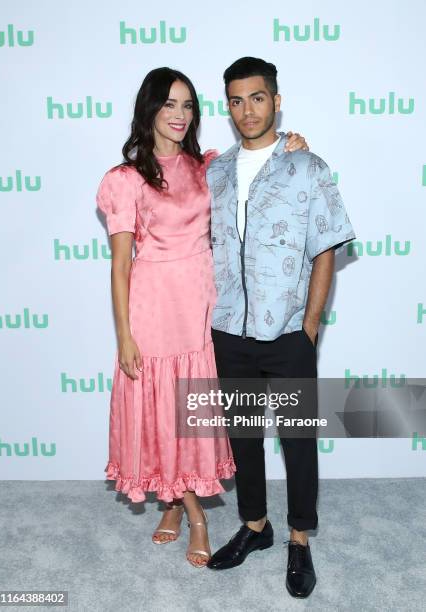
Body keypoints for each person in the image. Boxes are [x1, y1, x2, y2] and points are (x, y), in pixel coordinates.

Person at [96, 66, 309, 568]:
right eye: (168, 104)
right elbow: (121, 264)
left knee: (191, 412)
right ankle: (191, 512)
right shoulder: (124, 180)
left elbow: (257, 168)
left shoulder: (206, 166)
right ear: (149, 109)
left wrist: (291, 147)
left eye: (188, 105)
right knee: (162, 410)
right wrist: (124, 335)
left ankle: (175, 503)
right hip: (153, 307)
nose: (179, 114)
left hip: (204, 306)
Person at [206, 57, 356, 598]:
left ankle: (298, 538)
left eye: (258, 97)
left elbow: (325, 250)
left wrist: (310, 325)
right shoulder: (215, 173)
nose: (248, 109)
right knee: (243, 436)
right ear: (227, 106)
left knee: (296, 441)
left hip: (289, 333)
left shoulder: (307, 167)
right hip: (229, 331)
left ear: (276, 99)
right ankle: (255, 527)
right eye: (237, 100)